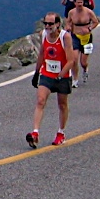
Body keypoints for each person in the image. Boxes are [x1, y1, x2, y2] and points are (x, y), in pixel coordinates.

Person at [27, 12, 74, 148]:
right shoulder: (43, 35)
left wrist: (61, 74)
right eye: (45, 23)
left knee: (62, 105)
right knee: (40, 101)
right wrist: (36, 73)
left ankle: (61, 132)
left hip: (62, 75)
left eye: (50, 24)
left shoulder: (65, 37)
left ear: (58, 24)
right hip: (47, 73)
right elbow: (42, 53)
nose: (47, 26)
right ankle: (35, 133)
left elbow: (71, 60)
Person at [65, 0, 99, 88]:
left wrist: (90, 28)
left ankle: (85, 69)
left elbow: (96, 22)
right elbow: (68, 22)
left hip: (86, 37)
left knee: (83, 62)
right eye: (78, 2)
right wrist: (68, 27)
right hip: (75, 36)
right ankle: (75, 79)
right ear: (75, 3)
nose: (79, 4)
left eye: (81, 2)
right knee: (74, 59)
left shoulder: (89, 12)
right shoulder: (71, 12)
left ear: (83, 3)